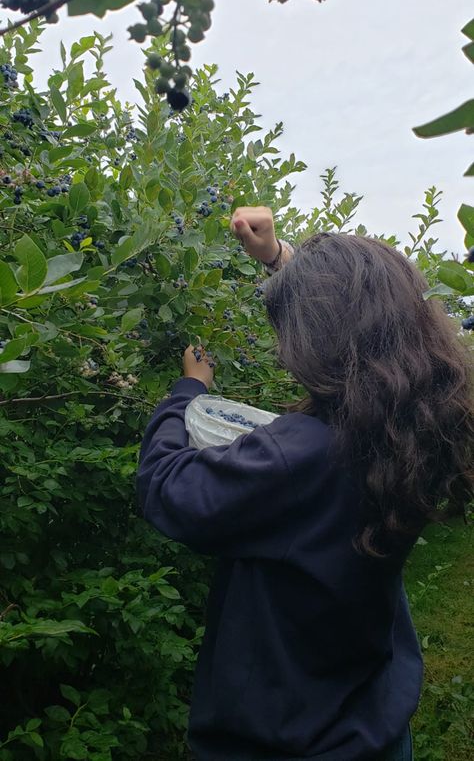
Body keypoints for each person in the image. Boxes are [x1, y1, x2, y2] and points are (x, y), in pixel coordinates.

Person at [137, 207, 474, 761]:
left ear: (318, 338)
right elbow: (355, 312)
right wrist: (278, 259)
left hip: (282, 736)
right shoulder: (416, 424)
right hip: (370, 719)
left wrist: (185, 393)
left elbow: (166, 487)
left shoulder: (298, 457)